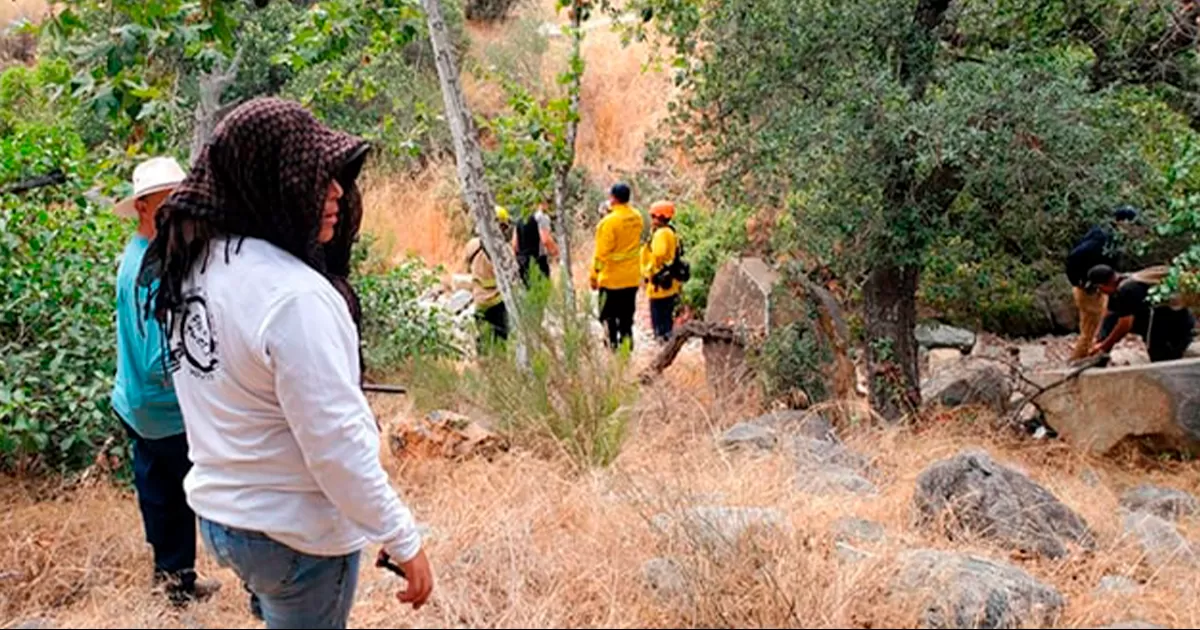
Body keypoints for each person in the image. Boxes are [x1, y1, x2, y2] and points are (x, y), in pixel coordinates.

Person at [137, 97, 433, 629]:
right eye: (315, 177)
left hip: (225, 520)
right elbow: (336, 446)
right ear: (266, 182)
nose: (338, 192)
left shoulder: (193, 269)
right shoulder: (293, 297)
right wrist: (401, 537)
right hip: (294, 534)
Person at [110, 156, 223, 608]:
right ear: (142, 206)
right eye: (167, 201)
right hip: (162, 408)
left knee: (160, 494)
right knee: (189, 496)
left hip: (136, 403)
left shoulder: (136, 258)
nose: (179, 208)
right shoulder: (151, 273)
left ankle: (174, 581)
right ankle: (183, 587)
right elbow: (161, 359)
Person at [1065, 205, 1140, 361]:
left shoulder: (1109, 234)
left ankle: (1095, 355)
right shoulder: (1103, 237)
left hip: (1100, 286)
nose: (1134, 229)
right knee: (1091, 329)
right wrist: (1079, 281)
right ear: (1122, 222)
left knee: (1098, 324)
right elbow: (1074, 256)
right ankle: (1079, 360)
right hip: (1089, 289)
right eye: (1132, 224)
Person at [1086, 264, 1196, 363]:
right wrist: (1098, 339)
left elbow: (1124, 325)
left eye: (1098, 288)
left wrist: (1104, 346)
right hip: (1158, 323)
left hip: (1172, 326)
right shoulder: (1117, 286)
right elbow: (1109, 314)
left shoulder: (1127, 290)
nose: (1099, 292)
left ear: (1103, 285)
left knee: (1163, 361)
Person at [589, 182, 644, 352]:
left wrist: (594, 275)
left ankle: (612, 350)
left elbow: (601, 254)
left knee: (608, 318)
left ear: (613, 198)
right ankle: (627, 351)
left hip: (611, 280)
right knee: (627, 319)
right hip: (632, 278)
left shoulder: (609, 223)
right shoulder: (637, 217)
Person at [467, 206, 514, 351]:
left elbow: (468, 266)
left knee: (483, 340)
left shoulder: (472, 245)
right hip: (497, 303)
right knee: (500, 342)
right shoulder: (504, 251)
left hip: (479, 301)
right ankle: (498, 370)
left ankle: (484, 369)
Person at [641, 200, 683, 343]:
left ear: (659, 216)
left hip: (659, 283)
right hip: (670, 282)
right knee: (667, 313)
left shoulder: (660, 234)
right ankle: (667, 338)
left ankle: (661, 340)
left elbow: (658, 254)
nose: (652, 219)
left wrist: (649, 271)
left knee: (658, 314)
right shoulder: (671, 232)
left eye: (653, 216)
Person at [512, 201, 558, 287]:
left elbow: (515, 245)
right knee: (543, 292)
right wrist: (557, 253)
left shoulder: (519, 219)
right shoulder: (541, 217)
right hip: (538, 262)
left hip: (522, 263)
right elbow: (545, 239)